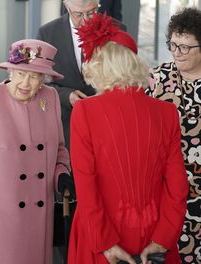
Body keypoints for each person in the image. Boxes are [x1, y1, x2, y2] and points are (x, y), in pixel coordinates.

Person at [67, 13, 188, 264]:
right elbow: (177, 187)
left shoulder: (85, 111)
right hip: (154, 232)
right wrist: (163, 239)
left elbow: (86, 187)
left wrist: (105, 242)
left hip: (101, 233)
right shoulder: (167, 113)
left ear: (98, 66)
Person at [0, 39, 75, 264]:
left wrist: (61, 173)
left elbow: (60, 149)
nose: (25, 82)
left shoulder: (49, 98)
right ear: (10, 70)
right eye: (21, 73)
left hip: (38, 218)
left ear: (43, 79)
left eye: (34, 76)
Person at [147, 7, 201, 264]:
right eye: (173, 45)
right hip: (165, 188)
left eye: (184, 47)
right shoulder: (157, 77)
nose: (176, 53)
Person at [37, 0, 99, 149]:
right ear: (67, 7)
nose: (85, 20)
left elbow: (125, 78)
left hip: (104, 121)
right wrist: (66, 95)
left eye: (91, 12)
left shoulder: (117, 30)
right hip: (64, 123)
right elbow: (39, 80)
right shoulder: (47, 33)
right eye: (78, 14)